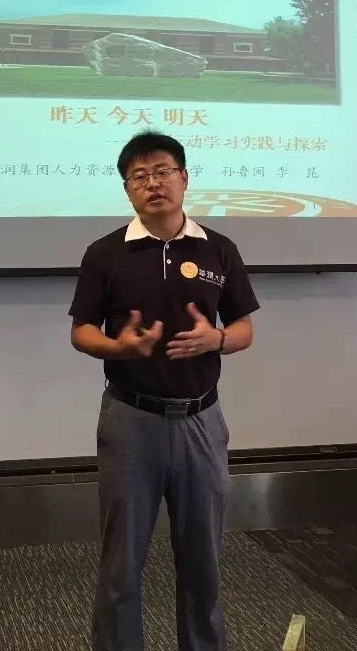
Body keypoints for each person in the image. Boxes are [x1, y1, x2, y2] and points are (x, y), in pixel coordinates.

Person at [70, 131, 259, 651]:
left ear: (184, 177)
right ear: (127, 189)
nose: (153, 183)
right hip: (132, 420)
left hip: (202, 421)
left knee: (203, 560)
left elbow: (244, 327)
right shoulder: (105, 253)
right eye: (139, 176)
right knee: (121, 562)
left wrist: (217, 339)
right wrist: (119, 347)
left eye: (162, 171)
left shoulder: (218, 248)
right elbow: (81, 331)